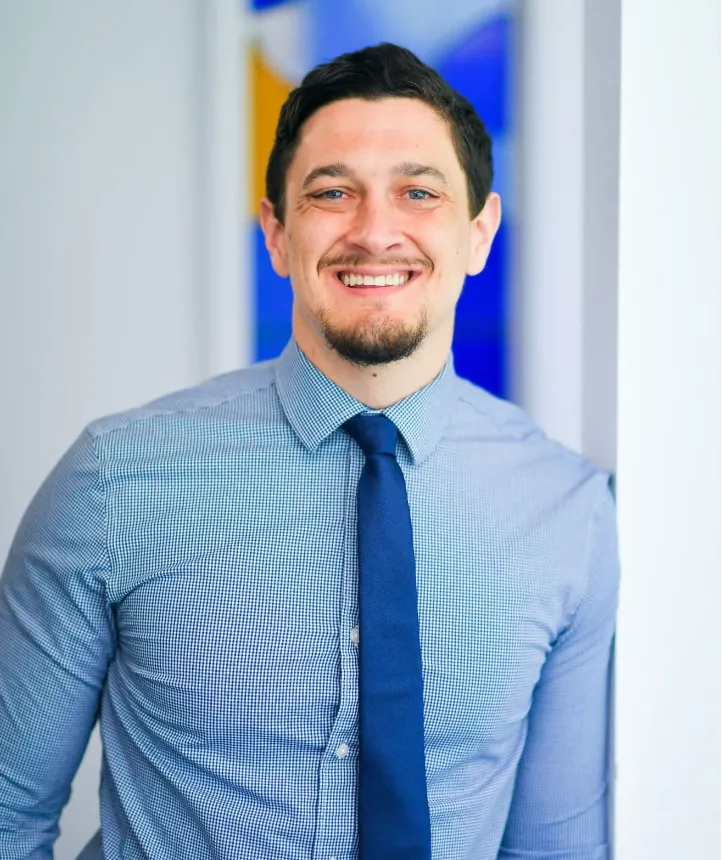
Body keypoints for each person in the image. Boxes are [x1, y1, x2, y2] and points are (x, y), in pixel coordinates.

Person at [0, 43, 620, 860]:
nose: (375, 232)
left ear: (479, 233)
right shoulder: (114, 481)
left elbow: (554, 853)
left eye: (419, 192)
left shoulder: (570, 512)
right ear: (276, 233)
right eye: (332, 193)